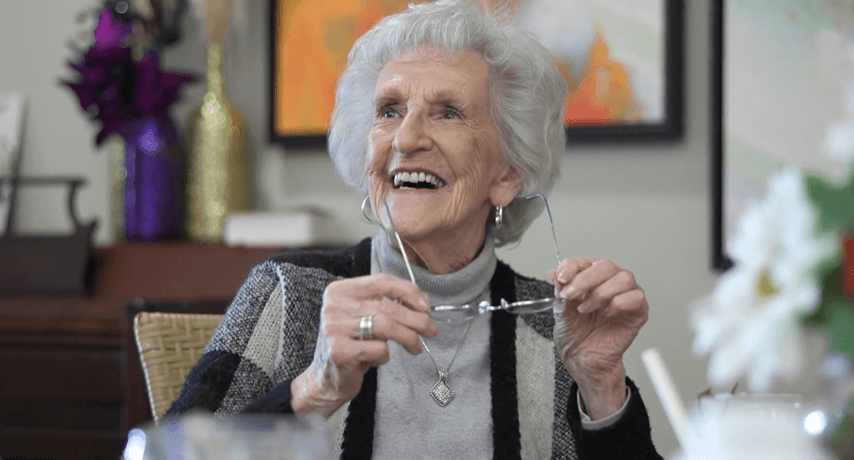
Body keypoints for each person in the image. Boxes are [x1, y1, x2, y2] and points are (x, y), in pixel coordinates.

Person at [167, 1, 662, 458]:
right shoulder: (290, 293)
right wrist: (311, 391)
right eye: (389, 111)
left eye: (448, 112)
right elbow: (171, 451)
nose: (405, 138)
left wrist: (601, 388)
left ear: (507, 173)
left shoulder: (553, 329)